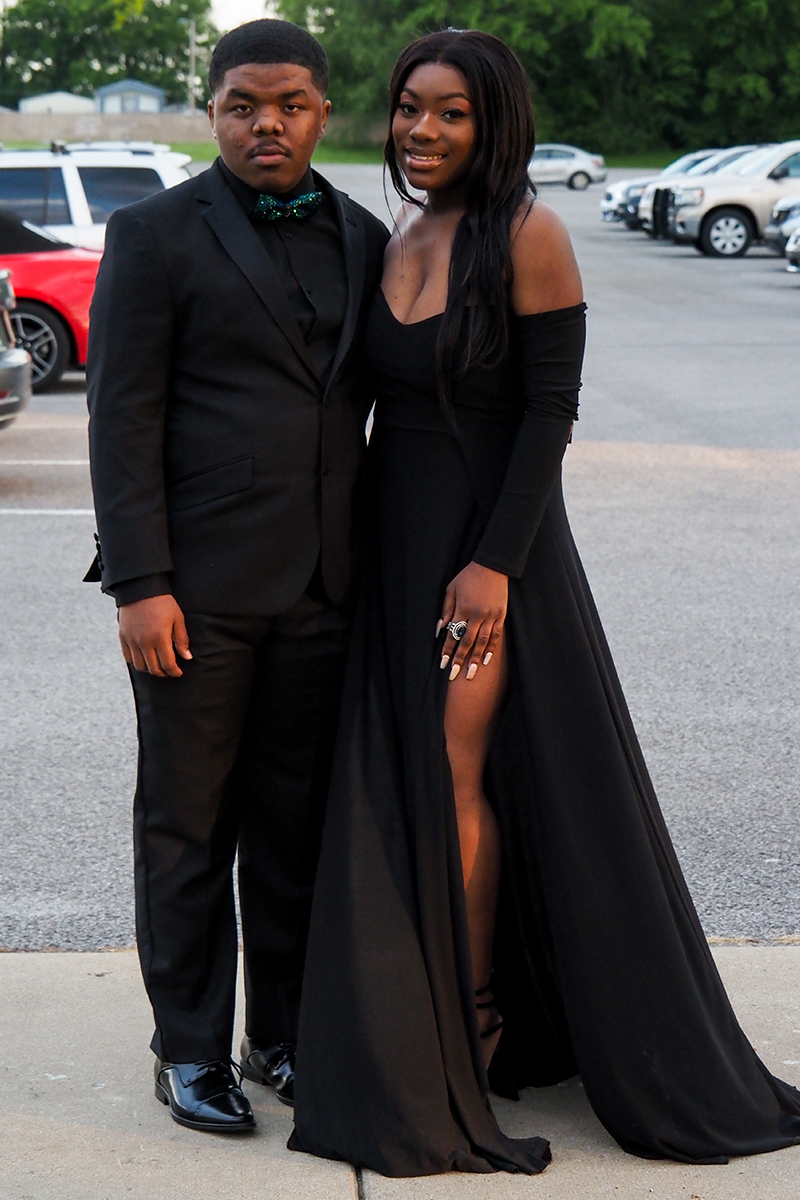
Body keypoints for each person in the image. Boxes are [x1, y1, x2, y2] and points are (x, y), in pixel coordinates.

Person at [288, 29, 800, 1175]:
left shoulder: (527, 233)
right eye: (409, 107)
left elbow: (547, 414)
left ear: (496, 123)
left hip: (486, 556)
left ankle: (474, 1020)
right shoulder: (400, 232)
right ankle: (427, 1010)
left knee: (453, 773)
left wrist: (492, 568)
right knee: (404, 774)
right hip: (391, 545)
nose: (421, 130)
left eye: (450, 113)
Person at [85, 19, 389, 1133]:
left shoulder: (365, 236)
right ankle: (188, 1051)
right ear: (211, 112)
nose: (268, 123)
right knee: (186, 829)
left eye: (291, 104)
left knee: (295, 830)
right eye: (243, 105)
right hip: (193, 595)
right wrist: (139, 582)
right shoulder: (154, 234)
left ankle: (282, 1036)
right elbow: (122, 418)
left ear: (322, 112)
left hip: (324, 589)